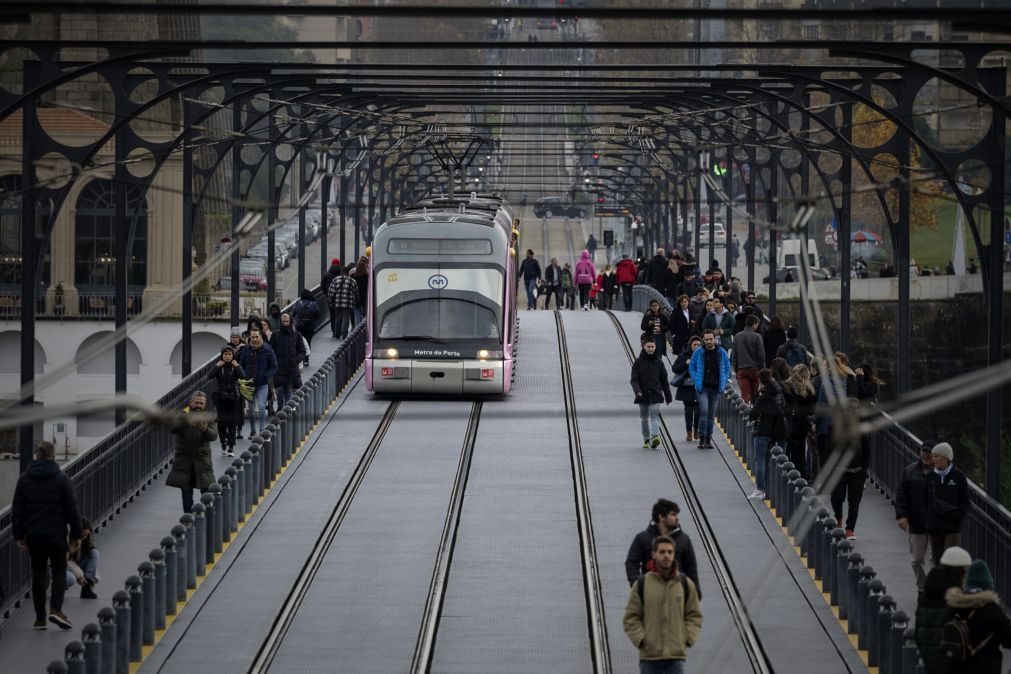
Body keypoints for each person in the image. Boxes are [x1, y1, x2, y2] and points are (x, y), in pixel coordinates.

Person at [12, 440, 83, 630]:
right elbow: (72, 510)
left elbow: (17, 510)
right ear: (52, 456)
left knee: (38, 573)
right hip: (57, 535)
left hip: (34, 535)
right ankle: (56, 610)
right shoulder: (62, 479)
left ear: (36, 455)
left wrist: (19, 536)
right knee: (59, 571)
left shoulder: (24, 479)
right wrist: (76, 536)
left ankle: (40, 618)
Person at [623, 535, 703, 674]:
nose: (666, 556)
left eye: (670, 552)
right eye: (662, 552)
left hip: (676, 658)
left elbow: (694, 615)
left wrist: (688, 637)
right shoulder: (642, 584)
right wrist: (642, 640)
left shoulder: (685, 584)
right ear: (653, 554)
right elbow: (630, 617)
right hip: (650, 658)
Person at [944, 559, 1011, 674]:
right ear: (987, 585)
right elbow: (1008, 639)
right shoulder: (992, 610)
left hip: (957, 669)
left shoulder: (954, 607)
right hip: (986, 669)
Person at [625, 499, 701, 596]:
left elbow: (691, 568)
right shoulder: (642, 538)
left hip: (677, 595)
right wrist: (638, 586)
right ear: (661, 517)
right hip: (651, 594)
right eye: (673, 515)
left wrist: (695, 592)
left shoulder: (684, 540)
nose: (677, 518)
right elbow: (631, 562)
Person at [916, 546, 972, 674]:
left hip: (927, 653)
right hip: (947, 653)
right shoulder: (954, 596)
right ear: (955, 570)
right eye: (963, 570)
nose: (964, 575)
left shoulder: (927, 590)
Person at [896, 441, 939, 590]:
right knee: (917, 559)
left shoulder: (943, 472)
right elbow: (901, 495)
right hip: (917, 522)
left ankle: (933, 589)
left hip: (937, 524)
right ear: (919, 453)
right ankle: (922, 587)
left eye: (929, 452)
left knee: (936, 559)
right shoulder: (910, 470)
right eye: (923, 452)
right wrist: (901, 515)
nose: (926, 455)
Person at [165, 392, 217, 514]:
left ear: (205, 404)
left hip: (202, 462)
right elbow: (173, 428)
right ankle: (188, 522)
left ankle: (209, 520)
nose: (199, 405)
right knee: (187, 496)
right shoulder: (182, 414)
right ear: (191, 402)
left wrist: (205, 429)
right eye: (196, 402)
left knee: (207, 493)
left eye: (201, 403)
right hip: (185, 462)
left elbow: (214, 436)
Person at [926, 442, 970, 565]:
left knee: (951, 562)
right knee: (937, 562)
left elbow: (965, 502)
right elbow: (925, 500)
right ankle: (940, 584)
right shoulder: (930, 476)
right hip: (935, 527)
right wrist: (928, 521)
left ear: (946, 458)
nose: (933, 459)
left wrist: (957, 519)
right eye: (933, 456)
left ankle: (950, 584)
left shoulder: (959, 476)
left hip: (952, 528)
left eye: (936, 457)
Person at [689, 330, 731, 450]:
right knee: (704, 411)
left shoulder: (721, 352)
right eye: (706, 339)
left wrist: (725, 380)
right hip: (703, 388)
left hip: (716, 388)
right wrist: (695, 379)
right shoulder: (698, 352)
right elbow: (692, 367)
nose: (708, 341)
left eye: (710, 339)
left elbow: (727, 367)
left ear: (714, 339)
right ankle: (702, 438)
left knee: (711, 415)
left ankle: (708, 438)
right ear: (703, 340)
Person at [746, 369, 785, 500]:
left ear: (761, 381)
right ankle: (770, 489)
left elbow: (752, 414)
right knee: (771, 462)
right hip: (776, 431)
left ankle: (760, 489)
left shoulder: (764, 396)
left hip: (763, 431)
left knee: (760, 461)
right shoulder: (779, 392)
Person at [631, 333, 673, 449]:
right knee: (644, 418)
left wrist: (668, 396)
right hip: (642, 395)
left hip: (655, 394)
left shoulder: (659, 362)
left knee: (655, 415)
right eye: (648, 347)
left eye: (652, 347)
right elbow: (634, 380)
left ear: (655, 347)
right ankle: (646, 439)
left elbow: (664, 380)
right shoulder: (638, 362)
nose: (650, 349)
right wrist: (637, 391)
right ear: (644, 347)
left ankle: (655, 436)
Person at [239, 329, 278, 438]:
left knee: (261, 407)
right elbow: (241, 364)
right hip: (249, 384)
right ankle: (252, 431)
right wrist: (244, 377)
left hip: (262, 384)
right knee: (250, 410)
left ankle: (262, 430)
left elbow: (274, 366)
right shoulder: (246, 350)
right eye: (252, 337)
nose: (254, 339)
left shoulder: (267, 349)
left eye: (256, 337)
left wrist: (266, 375)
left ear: (260, 336)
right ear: (250, 337)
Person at [208, 345, 245, 457]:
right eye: (225, 354)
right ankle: (223, 443)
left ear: (232, 355)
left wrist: (237, 366)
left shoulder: (235, 366)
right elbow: (209, 376)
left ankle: (231, 446)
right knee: (222, 422)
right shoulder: (219, 366)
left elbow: (243, 377)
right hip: (221, 398)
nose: (228, 357)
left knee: (232, 422)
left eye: (229, 354)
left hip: (234, 397)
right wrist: (216, 366)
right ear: (222, 355)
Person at [782, 364, 817, 479]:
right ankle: (800, 475)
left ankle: (787, 473)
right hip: (803, 424)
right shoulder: (809, 389)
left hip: (790, 422)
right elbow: (812, 410)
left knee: (788, 449)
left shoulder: (787, 386)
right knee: (801, 451)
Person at [270, 312, 306, 408]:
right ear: (280, 322)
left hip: (291, 370)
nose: (285, 323)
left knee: (289, 393)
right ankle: (281, 409)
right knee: (280, 392)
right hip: (278, 370)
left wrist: (295, 360)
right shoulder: (275, 335)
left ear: (290, 322)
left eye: (287, 321)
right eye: (283, 321)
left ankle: (287, 414)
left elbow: (302, 351)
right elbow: (270, 351)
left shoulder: (296, 335)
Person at [672, 336, 702, 443]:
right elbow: (675, 369)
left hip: (699, 387)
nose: (697, 347)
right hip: (686, 388)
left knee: (698, 411)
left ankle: (696, 429)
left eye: (699, 345)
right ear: (690, 345)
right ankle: (689, 432)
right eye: (694, 345)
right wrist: (686, 363)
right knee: (688, 411)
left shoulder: (703, 356)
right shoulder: (683, 356)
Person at [732, 314, 765, 404]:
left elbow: (734, 355)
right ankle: (753, 412)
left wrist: (736, 369)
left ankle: (745, 413)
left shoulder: (737, 336)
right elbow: (761, 355)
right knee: (754, 395)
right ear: (754, 324)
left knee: (744, 396)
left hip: (742, 370)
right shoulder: (758, 337)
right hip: (755, 370)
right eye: (757, 324)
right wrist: (763, 369)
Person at [65, 518, 99, 599]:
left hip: (75, 566)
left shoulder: (87, 542)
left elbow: (91, 561)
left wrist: (93, 577)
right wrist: (80, 576)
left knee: (94, 553)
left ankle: (86, 588)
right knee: (70, 579)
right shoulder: (67, 540)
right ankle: (58, 587)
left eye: (87, 535)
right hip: (62, 566)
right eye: (83, 535)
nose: (84, 537)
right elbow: (67, 561)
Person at [327, 265, 358, 339]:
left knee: (338, 317)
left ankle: (336, 333)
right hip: (347, 303)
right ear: (348, 272)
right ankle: (344, 334)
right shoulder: (352, 281)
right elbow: (356, 292)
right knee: (346, 318)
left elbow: (330, 292)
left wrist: (331, 301)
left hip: (337, 303)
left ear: (341, 272)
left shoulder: (336, 279)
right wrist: (355, 300)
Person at [291, 288, 320, 363]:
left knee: (299, 342)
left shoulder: (298, 303)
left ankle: (299, 359)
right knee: (308, 342)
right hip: (310, 326)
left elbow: (293, 314)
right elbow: (318, 316)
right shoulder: (314, 304)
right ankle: (306, 359)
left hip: (299, 326)